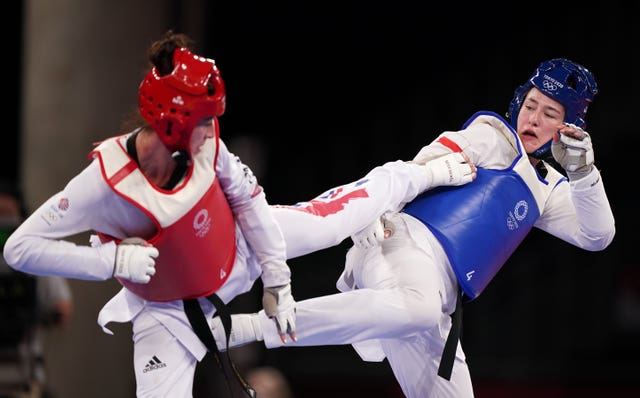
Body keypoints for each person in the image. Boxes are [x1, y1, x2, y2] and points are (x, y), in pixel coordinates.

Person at [211, 58, 616, 398]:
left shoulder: (548, 188)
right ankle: (245, 327)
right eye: (531, 105)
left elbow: (597, 236)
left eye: (550, 114)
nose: (533, 118)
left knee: (424, 319)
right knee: (418, 307)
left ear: (569, 128)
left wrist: (583, 173)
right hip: (399, 244)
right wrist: (375, 212)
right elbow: (420, 167)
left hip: (437, 298)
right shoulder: (491, 136)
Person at [2, 30, 303, 398]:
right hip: (164, 310)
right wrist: (111, 259)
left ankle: (397, 178)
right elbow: (18, 249)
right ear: (173, 122)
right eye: (204, 122)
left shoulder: (209, 146)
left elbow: (248, 199)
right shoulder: (102, 183)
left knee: (339, 219)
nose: (212, 132)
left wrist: (277, 277)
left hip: (240, 248)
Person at [0, 180, 73, 397]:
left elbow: (63, 309)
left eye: (8, 216)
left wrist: (38, 315)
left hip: (24, 376)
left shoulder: (35, 256)